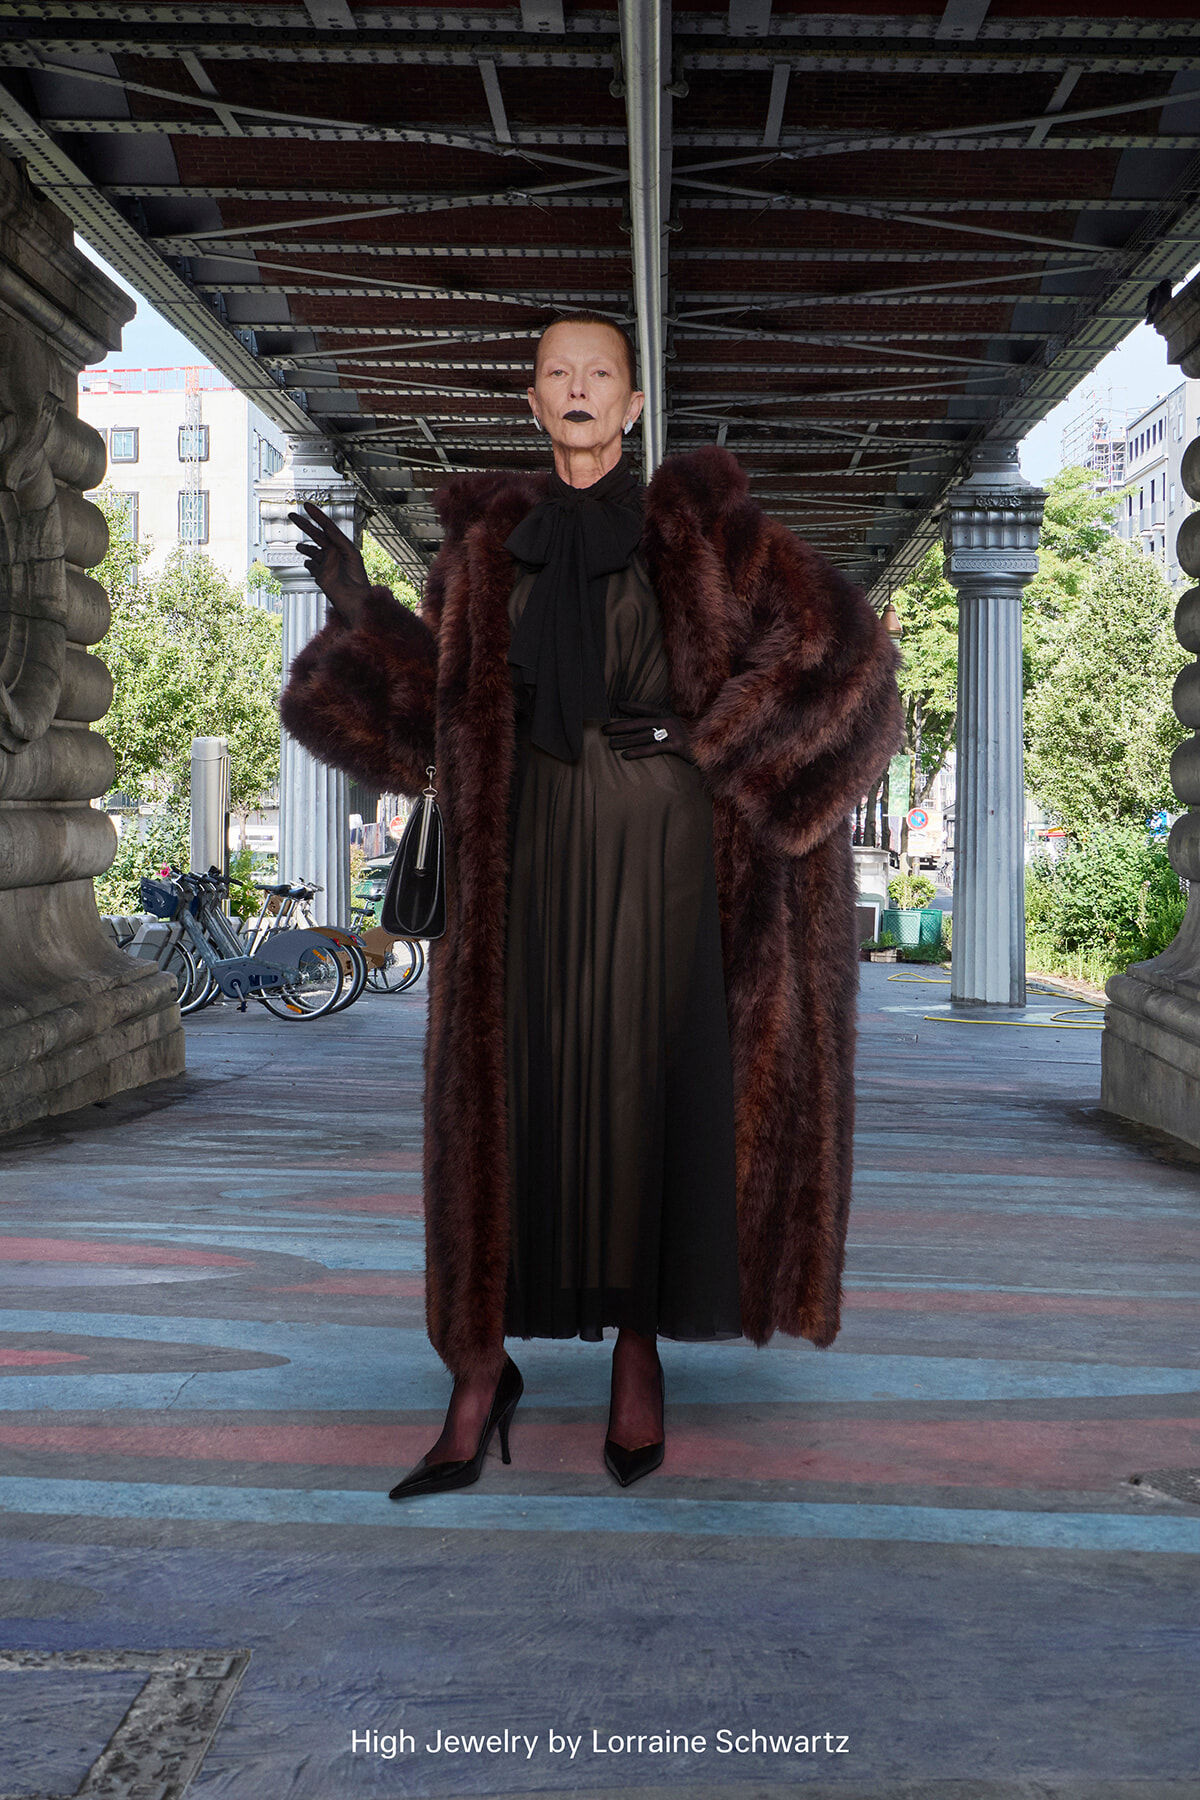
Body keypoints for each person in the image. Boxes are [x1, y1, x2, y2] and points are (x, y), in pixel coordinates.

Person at [280, 313, 903, 1498]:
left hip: (670, 863)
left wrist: (707, 732)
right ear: (531, 404)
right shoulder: (479, 555)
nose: (576, 389)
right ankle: (480, 1371)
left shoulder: (710, 533)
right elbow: (436, 725)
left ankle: (637, 1357)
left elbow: (851, 665)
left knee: (647, 1106)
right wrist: (363, 612)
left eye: (598, 375)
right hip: (528, 863)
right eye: (556, 374)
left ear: (631, 405)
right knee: (518, 1105)